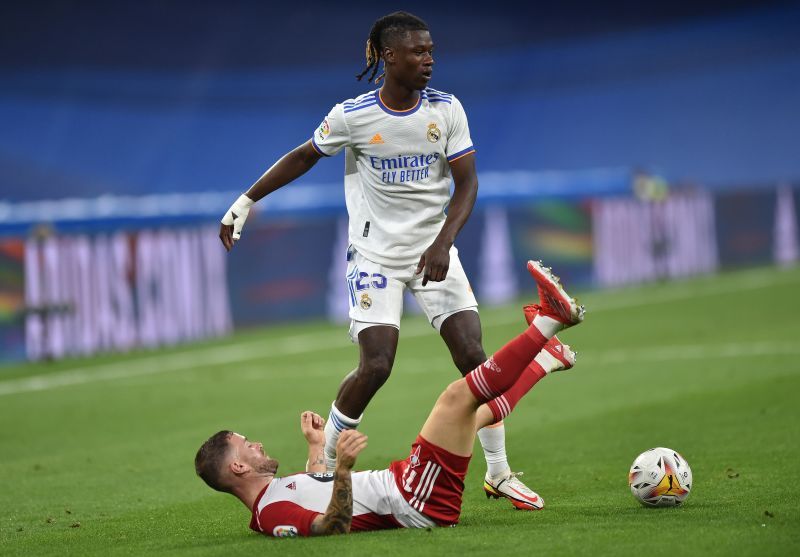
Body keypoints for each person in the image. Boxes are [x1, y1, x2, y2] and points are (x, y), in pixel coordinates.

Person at [218, 11, 560, 508]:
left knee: (472, 357)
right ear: (389, 56)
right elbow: (304, 156)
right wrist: (245, 201)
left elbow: (468, 184)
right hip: (375, 257)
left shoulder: (445, 110)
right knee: (376, 365)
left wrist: (443, 243)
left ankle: (499, 472)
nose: (429, 60)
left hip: (434, 250)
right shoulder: (353, 116)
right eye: (419, 52)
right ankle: (324, 470)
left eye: (431, 50)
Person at [195, 261, 585, 536]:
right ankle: (550, 320)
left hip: (409, 487)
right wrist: (345, 468)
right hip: (414, 499)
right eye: (247, 446)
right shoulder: (271, 514)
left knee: (473, 413)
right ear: (239, 469)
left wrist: (317, 448)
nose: (257, 443)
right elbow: (329, 526)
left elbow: (320, 485)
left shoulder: (276, 493)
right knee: (455, 399)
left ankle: (545, 358)